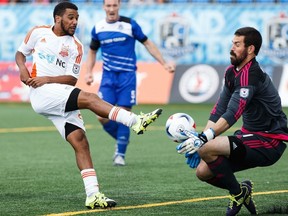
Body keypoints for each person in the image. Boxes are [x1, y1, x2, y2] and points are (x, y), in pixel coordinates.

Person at [15, 2, 162, 210]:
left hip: (56, 91)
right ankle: (135, 121)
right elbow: (21, 53)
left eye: (77, 18)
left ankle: (93, 195)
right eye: (71, 17)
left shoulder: (76, 46)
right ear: (58, 18)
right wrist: (23, 69)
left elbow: (71, 80)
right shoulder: (38, 33)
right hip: (42, 94)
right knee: (91, 99)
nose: (75, 22)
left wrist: (47, 78)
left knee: (80, 141)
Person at [176, 27, 288, 216]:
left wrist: (204, 140)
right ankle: (241, 191)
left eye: (237, 45)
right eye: (232, 43)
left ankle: (236, 194)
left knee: (205, 148)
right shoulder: (231, 72)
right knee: (202, 172)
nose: (232, 48)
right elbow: (219, 110)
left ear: (250, 49)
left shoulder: (251, 74)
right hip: (249, 136)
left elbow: (233, 113)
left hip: (269, 142)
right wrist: (201, 137)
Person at [85, 0, 175, 166]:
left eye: (114, 5)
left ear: (119, 6)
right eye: (108, 6)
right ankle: (122, 139)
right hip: (108, 77)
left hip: (127, 77)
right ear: (103, 7)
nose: (111, 9)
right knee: (101, 116)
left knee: (125, 114)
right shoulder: (98, 28)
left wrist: (163, 63)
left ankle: (120, 154)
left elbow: (147, 43)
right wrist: (89, 72)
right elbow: (92, 51)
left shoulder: (130, 25)